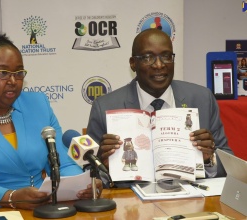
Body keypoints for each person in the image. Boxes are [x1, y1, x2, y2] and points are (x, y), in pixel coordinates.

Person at [0, 31, 102, 219]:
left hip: (38, 209)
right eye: (3, 73)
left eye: (19, 73)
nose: (13, 81)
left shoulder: (38, 105)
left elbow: (62, 164)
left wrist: (81, 186)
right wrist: (10, 197)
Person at [87, 28, 233, 187]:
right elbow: (89, 174)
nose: (159, 65)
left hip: (191, 200)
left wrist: (208, 159)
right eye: (148, 57)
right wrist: (102, 163)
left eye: (166, 56)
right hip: (132, 206)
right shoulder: (105, 107)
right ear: (133, 63)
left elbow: (228, 165)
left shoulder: (201, 99)